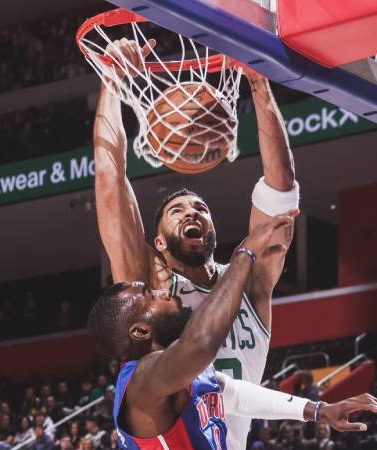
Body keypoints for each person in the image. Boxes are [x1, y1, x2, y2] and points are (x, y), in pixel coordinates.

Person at [94, 37, 299, 450]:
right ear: (158, 242)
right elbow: (111, 182)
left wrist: (259, 86)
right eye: (177, 210)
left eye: (200, 208)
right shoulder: (152, 293)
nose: (192, 212)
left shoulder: (251, 282)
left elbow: (282, 193)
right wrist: (112, 81)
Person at [87, 217, 377, 449]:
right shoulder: (141, 381)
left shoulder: (177, 376)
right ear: (140, 330)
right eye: (153, 296)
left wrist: (319, 410)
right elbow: (202, 344)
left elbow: (236, 395)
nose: (165, 293)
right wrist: (245, 254)